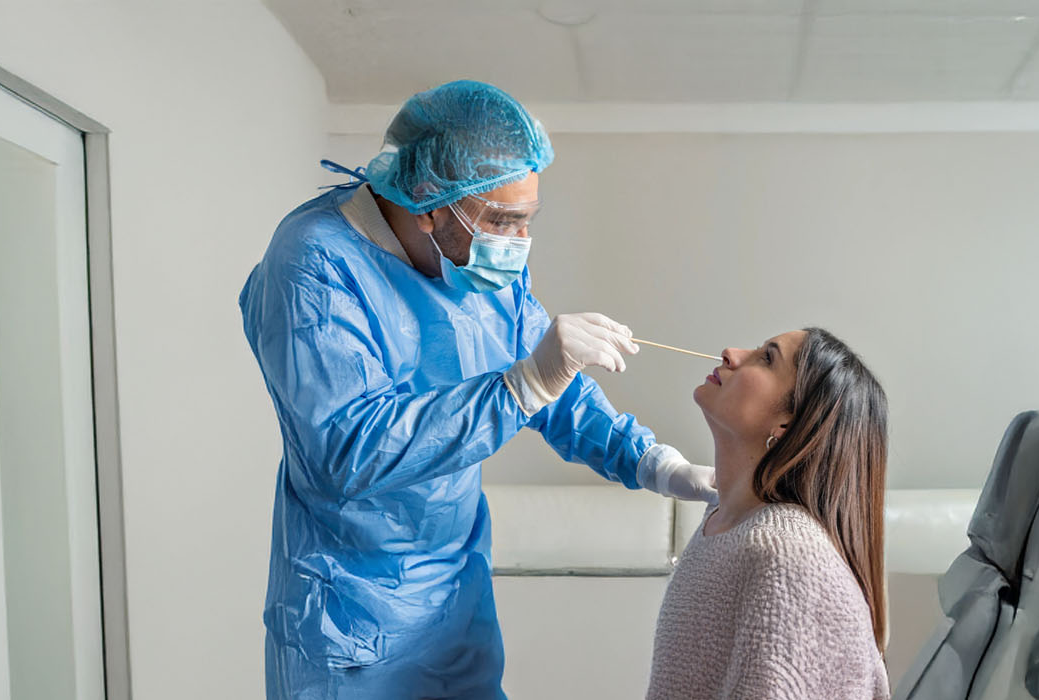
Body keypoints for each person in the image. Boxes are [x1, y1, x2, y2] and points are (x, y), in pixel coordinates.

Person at [240, 80, 717, 699]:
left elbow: (551, 379)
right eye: (503, 221)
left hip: (455, 600)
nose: (517, 245)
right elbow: (344, 451)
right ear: (428, 205)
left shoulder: (470, 262)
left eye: (527, 222)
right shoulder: (314, 264)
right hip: (353, 618)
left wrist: (657, 465)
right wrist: (523, 385)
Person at [647, 328, 891, 700]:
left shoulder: (787, 558)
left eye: (766, 358)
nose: (730, 352)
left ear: (788, 425)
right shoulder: (722, 524)